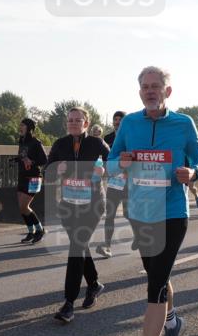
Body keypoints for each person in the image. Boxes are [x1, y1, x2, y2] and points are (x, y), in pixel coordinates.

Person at [110, 67, 198, 336]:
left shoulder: (184, 123)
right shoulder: (129, 123)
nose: (150, 91)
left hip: (172, 212)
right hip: (140, 212)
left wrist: (193, 173)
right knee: (158, 276)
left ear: (168, 91)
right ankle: (173, 322)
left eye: (156, 86)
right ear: (140, 92)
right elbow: (111, 162)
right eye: (145, 87)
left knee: (155, 286)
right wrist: (121, 163)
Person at [49, 107, 109, 323]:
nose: (73, 123)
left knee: (76, 248)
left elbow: (115, 165)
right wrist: (56, 169)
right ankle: (94, 284)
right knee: (80, 246)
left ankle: (69, 303)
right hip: (68, 205)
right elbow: (47, 170)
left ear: (86, 123)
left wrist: (105, 171)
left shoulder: (97, 143)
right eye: (70, 120)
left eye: (78, 120)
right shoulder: (60, 144)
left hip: (92, 205)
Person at [10, 118, 47, 244]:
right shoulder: (21, 141)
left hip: (34, 177)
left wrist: (32, 162)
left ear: (29, 128)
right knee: (22, 208)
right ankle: (31, 232)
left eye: (23, 125)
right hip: (22, 176)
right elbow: (23, 156)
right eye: (20, 125)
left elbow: (44, 160)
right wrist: (16, 160)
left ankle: (40, 230)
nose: (20, 127)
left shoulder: (36, 142)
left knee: (24, 206)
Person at [97, 110, 127, 258]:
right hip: (113, 182)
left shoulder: (131, 137)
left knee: (129, 214)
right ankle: (107, 246)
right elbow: (102, 157)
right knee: (110, 215)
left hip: (128, 182)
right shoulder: (107, 138)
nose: (117, 122)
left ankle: (141, 237)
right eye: (115, 120)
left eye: (120, 120)